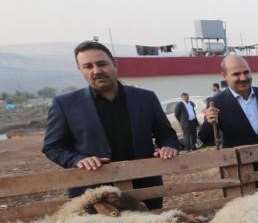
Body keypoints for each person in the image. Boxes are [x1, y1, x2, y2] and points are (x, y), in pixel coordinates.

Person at [42, 39, 179, 210]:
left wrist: (169, 146)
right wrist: (78, 159)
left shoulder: (145, 98)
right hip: (93, 195)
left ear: (115, 64)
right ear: (80, 70)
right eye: (88, 66)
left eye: (101, 64)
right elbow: (53, 146)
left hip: (144, 188)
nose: (97, 71)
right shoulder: (65, 104)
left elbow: (166, 133)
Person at [199, 55, 258, 170]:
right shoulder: (216, 102)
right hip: (238, 172)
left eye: (246, 72)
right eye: (236, 74)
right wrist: (209, 122)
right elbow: (205, 139)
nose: (243, 78)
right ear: (224, 76)